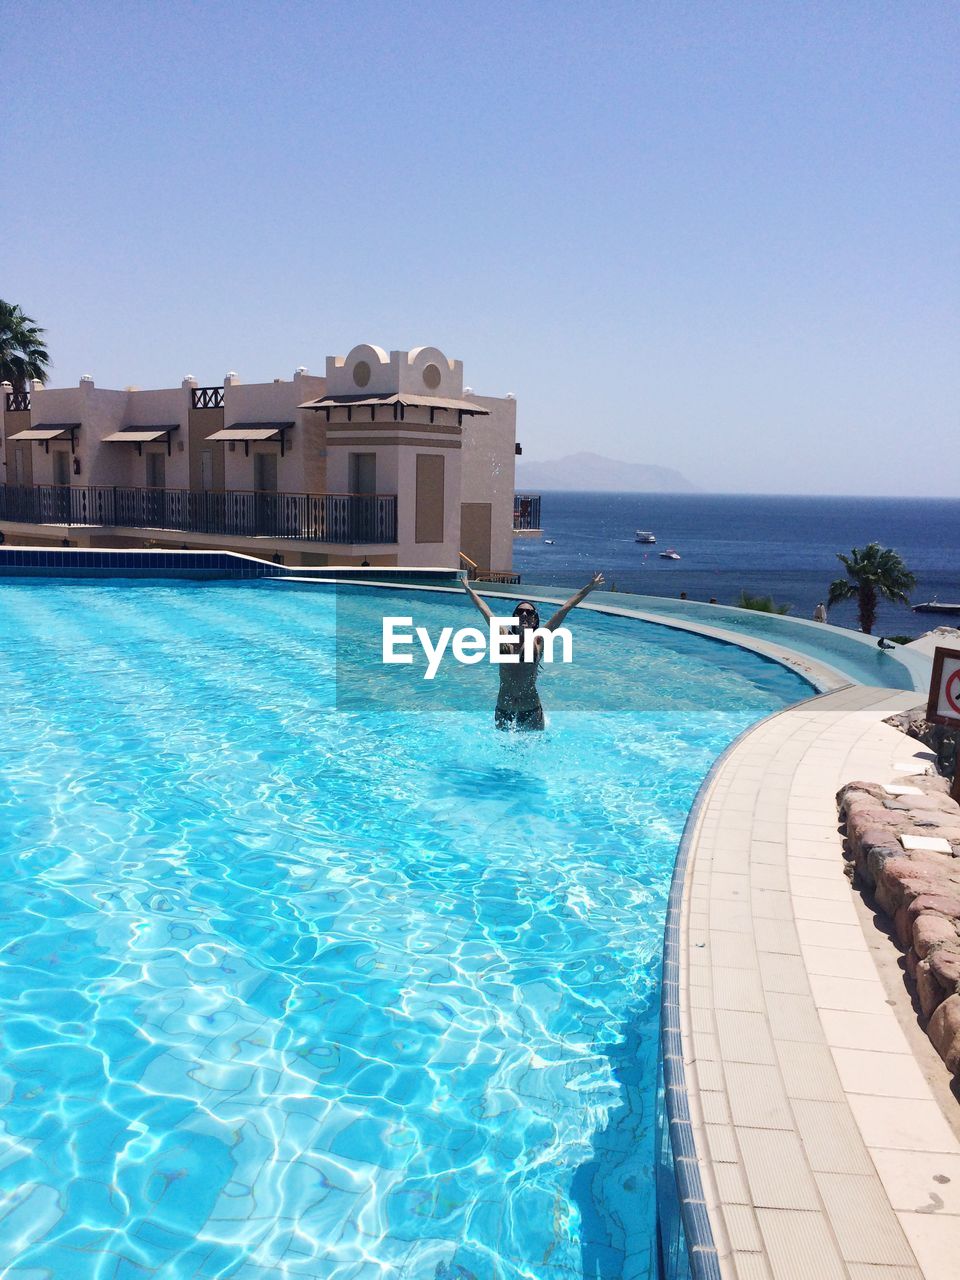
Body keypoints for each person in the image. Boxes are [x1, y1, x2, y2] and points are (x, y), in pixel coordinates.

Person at [461, 572, 605, 729]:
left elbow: (565, 609)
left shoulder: (539, 639)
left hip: (530, 709)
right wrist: (468, 589)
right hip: (504, 707)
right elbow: (484, 608)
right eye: (520, 611)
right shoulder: (502, 634)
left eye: (529, 613)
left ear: (534, 619)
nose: (524, 614)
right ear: (514, 617)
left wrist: (589, 588)